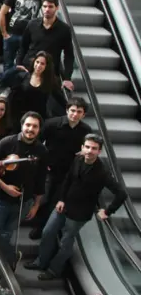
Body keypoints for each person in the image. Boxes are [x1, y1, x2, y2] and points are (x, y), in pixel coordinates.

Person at [24, 134, 127, 280]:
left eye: (94, 148)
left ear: (99, 151)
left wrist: (108, 211)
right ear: (82, 147)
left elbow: (121, 194)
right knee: (47, 232)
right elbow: (68, 180)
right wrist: (61, 199)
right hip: (63, 206)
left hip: (79, 214)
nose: (90, 151)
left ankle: (54, 270)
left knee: (66, 244)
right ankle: (40, 262)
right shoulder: (78, 159)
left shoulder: (102, 172)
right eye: (87, 147)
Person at [0, 112, 48, 269]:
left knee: (7, 234)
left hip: (24, 202)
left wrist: (36, 204)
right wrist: (5, 187)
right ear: (22, 125)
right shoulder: (7, 142)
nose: (30, 129)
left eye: (35, 126)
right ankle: (9, 256)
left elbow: (41, 179)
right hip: (0, 199)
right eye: (28, 125)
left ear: (39, 129)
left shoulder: (41, 151)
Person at [29, 97, 92, 239]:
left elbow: (89, 149)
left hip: (69, 172)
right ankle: (38, 225)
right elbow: (37, 142)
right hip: (49, 169)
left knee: (56, 201)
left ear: (83, 115)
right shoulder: (52, 124)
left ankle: (44, 228)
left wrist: (84, 153)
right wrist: (43, 161)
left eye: (79, 112)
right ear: (67, 110)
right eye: (72, 110)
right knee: (44, 198)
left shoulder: (85, 130)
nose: (75, 114)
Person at [15, 0, 74, 92]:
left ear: (57, 8)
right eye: (45, 6)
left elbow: (69, 55)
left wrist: (67, 78)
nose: (47, 9)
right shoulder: (32, 24)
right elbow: (23, 47)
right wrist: (18, 64)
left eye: (50, 7)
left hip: (50, 72)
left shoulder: (64, 29)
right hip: (29, 68)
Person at [0, 0, 47, 71]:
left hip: (30, 35)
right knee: (8, 63)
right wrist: (4, 33)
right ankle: (7, 85)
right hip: (12, 34)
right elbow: (2, 13)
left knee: (27, 64)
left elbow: (47, 11)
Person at [2, 52, 66, 127]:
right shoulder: (22, 77)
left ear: (47, 66)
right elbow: (10, 93)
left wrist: (71, 109)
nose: (38, 65)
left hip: (39, 117)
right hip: (21, 117)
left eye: (42, 64)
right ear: (34, 62)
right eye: (37, 62)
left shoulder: (50, 81)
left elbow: (60, 99)